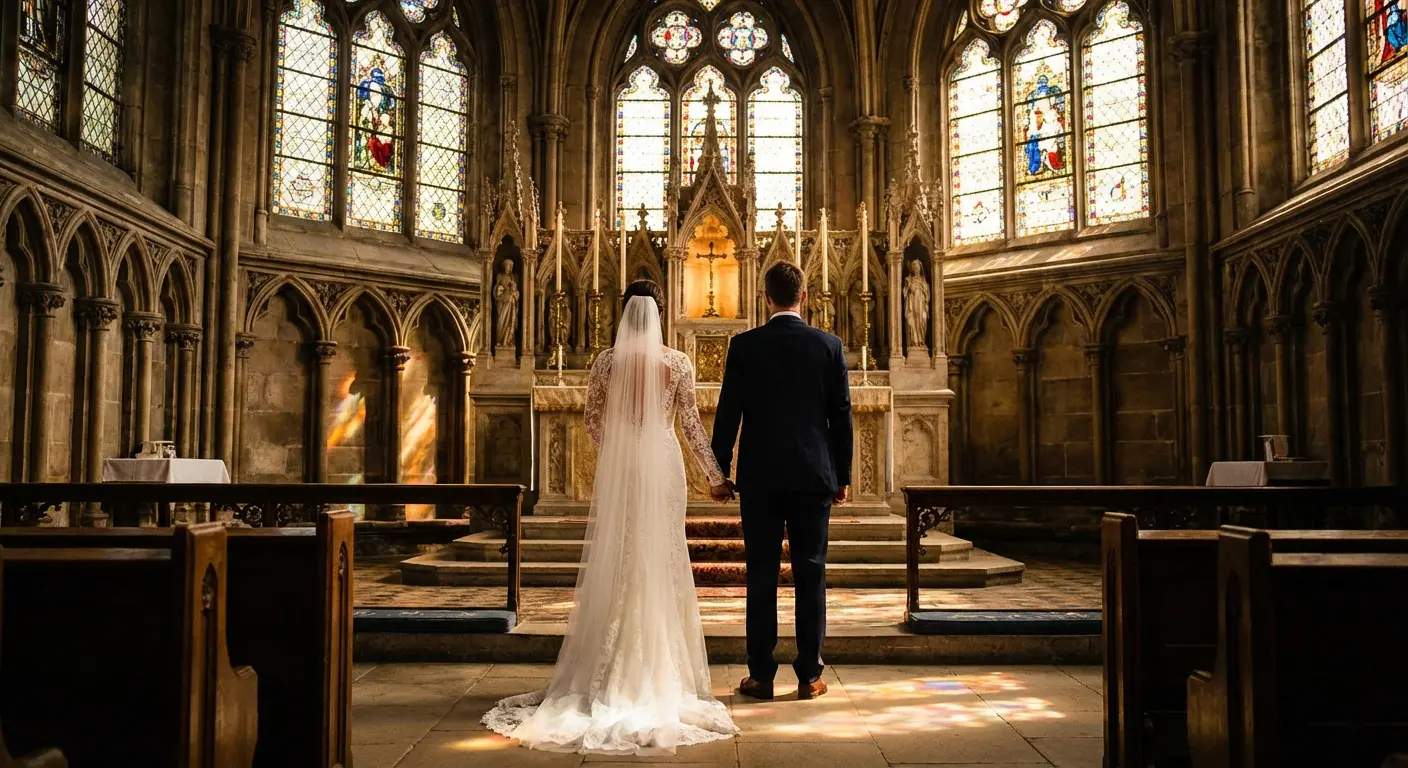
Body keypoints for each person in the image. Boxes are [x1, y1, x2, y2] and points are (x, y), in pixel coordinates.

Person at [482, 280, 738, 755]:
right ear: (660, 313)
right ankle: (660, 672)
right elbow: (689, 427)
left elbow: (593, 421)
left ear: (622, 315)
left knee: (622, 556)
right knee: (661, 557)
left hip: (627, 468)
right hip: (664, 465)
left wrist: (621, 452)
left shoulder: (605, 362)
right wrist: (716, 476)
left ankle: (608, 667)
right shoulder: (676, 362)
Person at [711, 262, 853, 701]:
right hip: (814, 477)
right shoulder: (828, 346)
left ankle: (761, 676)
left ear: (765, 298)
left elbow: (727, 414)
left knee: (761, 575)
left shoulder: (745, 346)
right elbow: (841, 417)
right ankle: (810, 675)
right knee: (811, 574)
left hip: (761, 479)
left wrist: (720, 473)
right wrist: (842, 476)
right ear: (803, 297)